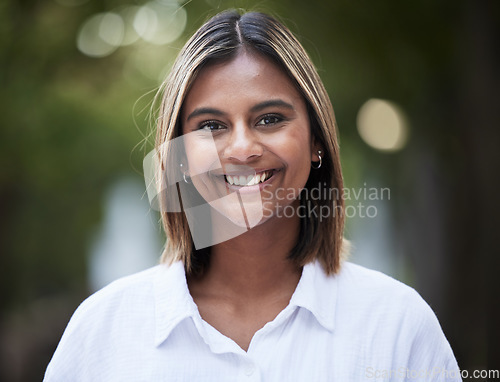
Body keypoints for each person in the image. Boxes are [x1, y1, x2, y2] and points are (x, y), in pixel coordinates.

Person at [44, 10, 462, 381]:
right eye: (211, 126)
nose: (242, 148)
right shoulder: (101, 333)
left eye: (269, 118)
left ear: (316, 140)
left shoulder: (397, 326)